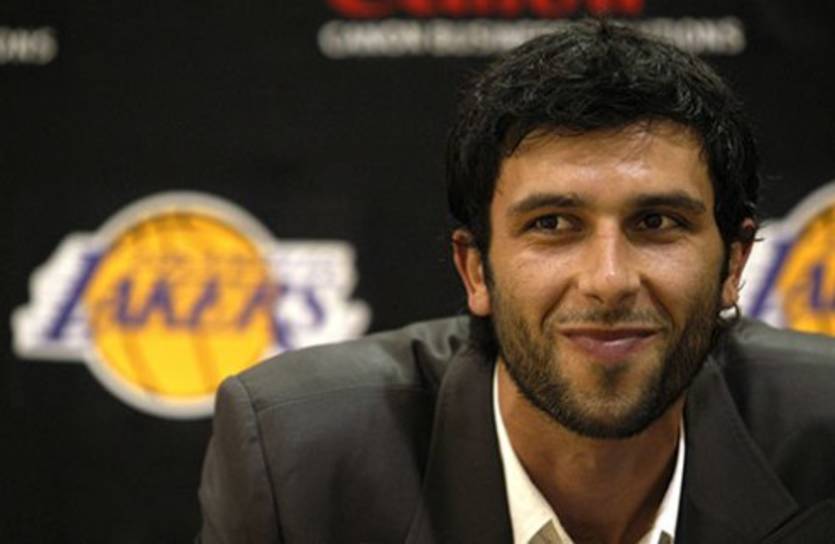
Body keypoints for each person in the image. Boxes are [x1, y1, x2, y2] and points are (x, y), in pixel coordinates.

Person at [197, 20, 835, 544]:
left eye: (657, 222)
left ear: (733, 264)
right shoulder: (299, 461)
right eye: (552, 224)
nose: (609, 280)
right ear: (476, 270)